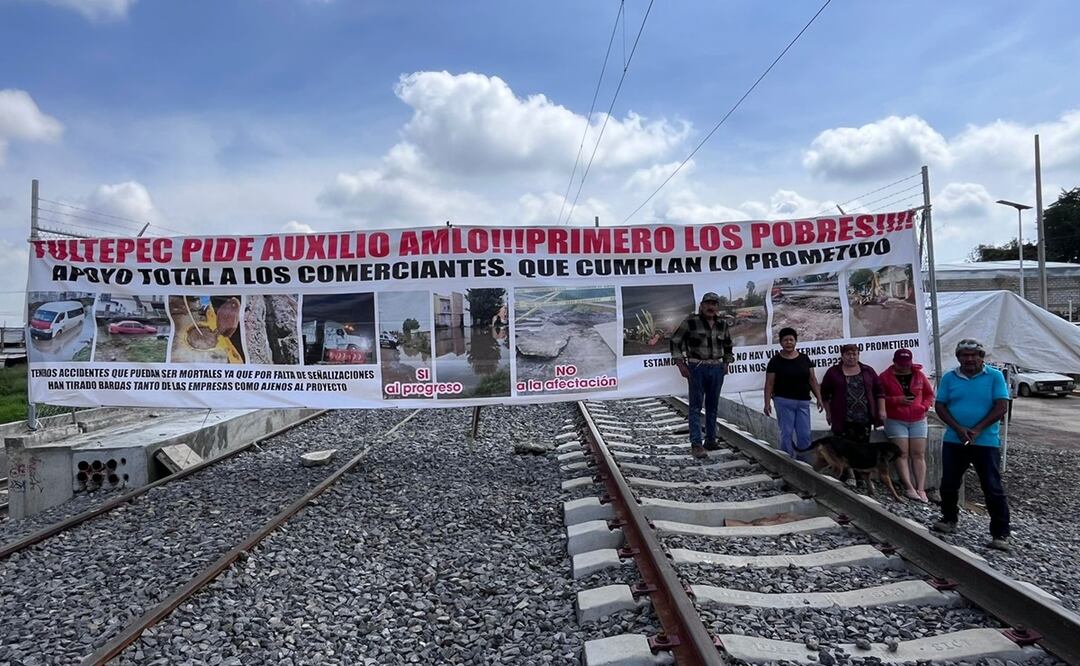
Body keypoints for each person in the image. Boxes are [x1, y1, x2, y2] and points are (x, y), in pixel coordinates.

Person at [932, 338, 1011, 551]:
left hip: (985, 441)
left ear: (981, 357)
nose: (969, 359)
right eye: (964, 355)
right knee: (948, 483)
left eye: (973, 355)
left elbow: (1001, 406)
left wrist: (976, 430)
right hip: (954, 439)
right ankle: (949, 519)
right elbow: (940, 405)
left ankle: (1000, 533)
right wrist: (958, 429)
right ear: (958, 358)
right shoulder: (950, 377)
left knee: (992, 487)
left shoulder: (994, 376)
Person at [671, 292, 734, 459]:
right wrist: (680, 364)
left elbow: (728, 345)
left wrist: (726, 363)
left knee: (713, 406)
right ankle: (696, 444)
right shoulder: (691, 322)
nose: (710, 307)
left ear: (717, 307)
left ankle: (711, 440)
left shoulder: (722, 324)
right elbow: (675, 341)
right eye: (708, 303)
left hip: (717, 368)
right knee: (695, 407)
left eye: (714, 304)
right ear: (702, 305)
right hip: (697, 368)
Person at [880, 348, 935, 502]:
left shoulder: (919, 375)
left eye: (907, 364)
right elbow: (880, 396)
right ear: (895, 362)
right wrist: (898, 400)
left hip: (918, 418)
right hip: (895, 418)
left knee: (918, 454)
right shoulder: (885, 377)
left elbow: (929, 394)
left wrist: (924, 406)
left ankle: (921, 488)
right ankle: (909, 487)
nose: (905, 367)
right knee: (902, 453)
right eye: (901, 364)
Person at [763, 327, 824, 458]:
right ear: (780, 342)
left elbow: (812, 380)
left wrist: (819, 398)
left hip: (803, 402)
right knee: (787, 433)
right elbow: (769, 384)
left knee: (804, 434)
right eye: (785, 340)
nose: (789, 342)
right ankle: (787, 460)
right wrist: (767, 403)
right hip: (783, 402)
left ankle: (804, 464)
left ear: (796, 341)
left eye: (791, 339)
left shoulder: (804, 359)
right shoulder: (775, 361)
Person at [820, 344, 885, 444]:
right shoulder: (833, 372)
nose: (851, 357)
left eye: (854, 354)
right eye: (848, 354)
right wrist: (828, 413)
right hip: (842, 420)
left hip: (864, 419)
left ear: (858, 355)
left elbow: (879, 391)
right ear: (842, 356)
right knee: (843, 451)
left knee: (863, 450)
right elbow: (824, 394)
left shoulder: (868, 370)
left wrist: (881, 410)